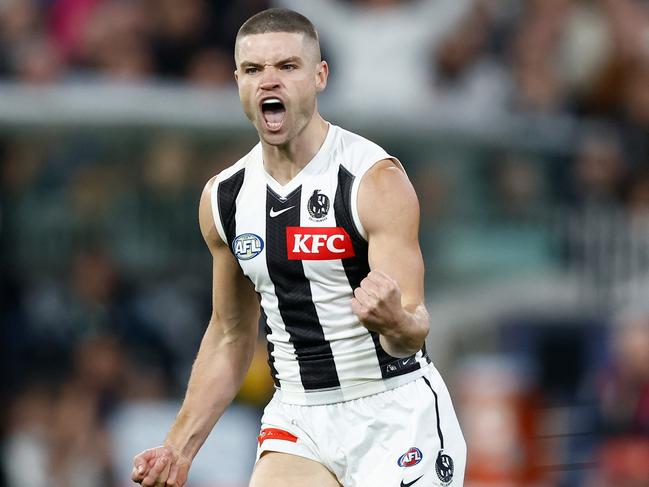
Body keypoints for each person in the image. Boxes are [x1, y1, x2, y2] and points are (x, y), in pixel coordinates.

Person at [131, 8, 466, 487]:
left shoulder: (374, 181)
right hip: (300, 416)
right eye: (253, 70)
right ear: (238, 82)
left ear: (319, 76)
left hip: (393, 409)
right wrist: (178, 448)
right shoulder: (223, 199)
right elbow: (230, 335)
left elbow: (410, 331)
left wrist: (394, 318)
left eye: (287, 67)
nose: (269, 81)